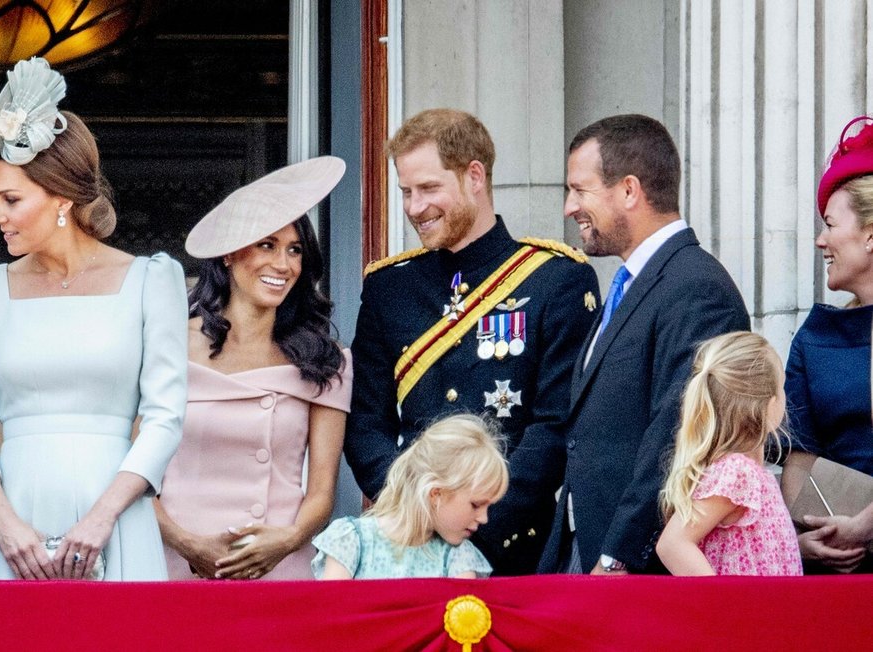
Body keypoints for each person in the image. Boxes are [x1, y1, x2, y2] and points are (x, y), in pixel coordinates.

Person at [0, 57, 188, 580]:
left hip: (116, 517)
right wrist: (4, 524)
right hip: (12, 526)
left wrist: (103, 518)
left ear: (60, 197)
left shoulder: (151, 280)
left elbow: (165, 416)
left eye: (11, 199)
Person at [345, 108, 599, 575]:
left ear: (474, 176)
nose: (413, 207)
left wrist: (480, 515)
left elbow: (556, 425)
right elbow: (365, 422)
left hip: (514, 547)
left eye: (428, 188)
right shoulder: (389, 287)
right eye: (406, 192)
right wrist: (415, 510)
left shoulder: (555, 279)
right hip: (408, 547)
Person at [538, 114, 749, 575]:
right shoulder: (630, 283)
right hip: (581, 550)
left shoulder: (696, 287)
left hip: (632, 569)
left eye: (580, 190)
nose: (569, 208)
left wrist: (617, 560)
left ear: (629, 190)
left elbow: (677, 434)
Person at [155, 156, 352, 581]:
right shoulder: (166, 344)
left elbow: (321, 489)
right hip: (175, 564)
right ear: (229, 254)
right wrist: (187, 544)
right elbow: (134, 475)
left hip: (278, 566)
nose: (283, 265)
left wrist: (287, 540)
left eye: (295, 250)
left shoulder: (325, 360)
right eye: (267, 245)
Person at [782, 115, 873, 572]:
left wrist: (868, 524)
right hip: (834, 567)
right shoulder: (815, 338)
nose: (820, 240)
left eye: (830, 225)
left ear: (871, 234)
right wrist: (801, 539)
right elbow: (800, 454)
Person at [656, 332, 801, 576]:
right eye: (782, 386)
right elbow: (672, 544)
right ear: (768, 406)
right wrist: (723, 607)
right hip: (744, 613)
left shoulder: (752, 474)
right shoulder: (737, 472)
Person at [314, 413, 506, 579]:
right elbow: (333, 615)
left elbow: (462, 620)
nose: (484, 518)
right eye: (475, 505)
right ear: (435, 494)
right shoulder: (351, 541)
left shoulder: (459, 558)